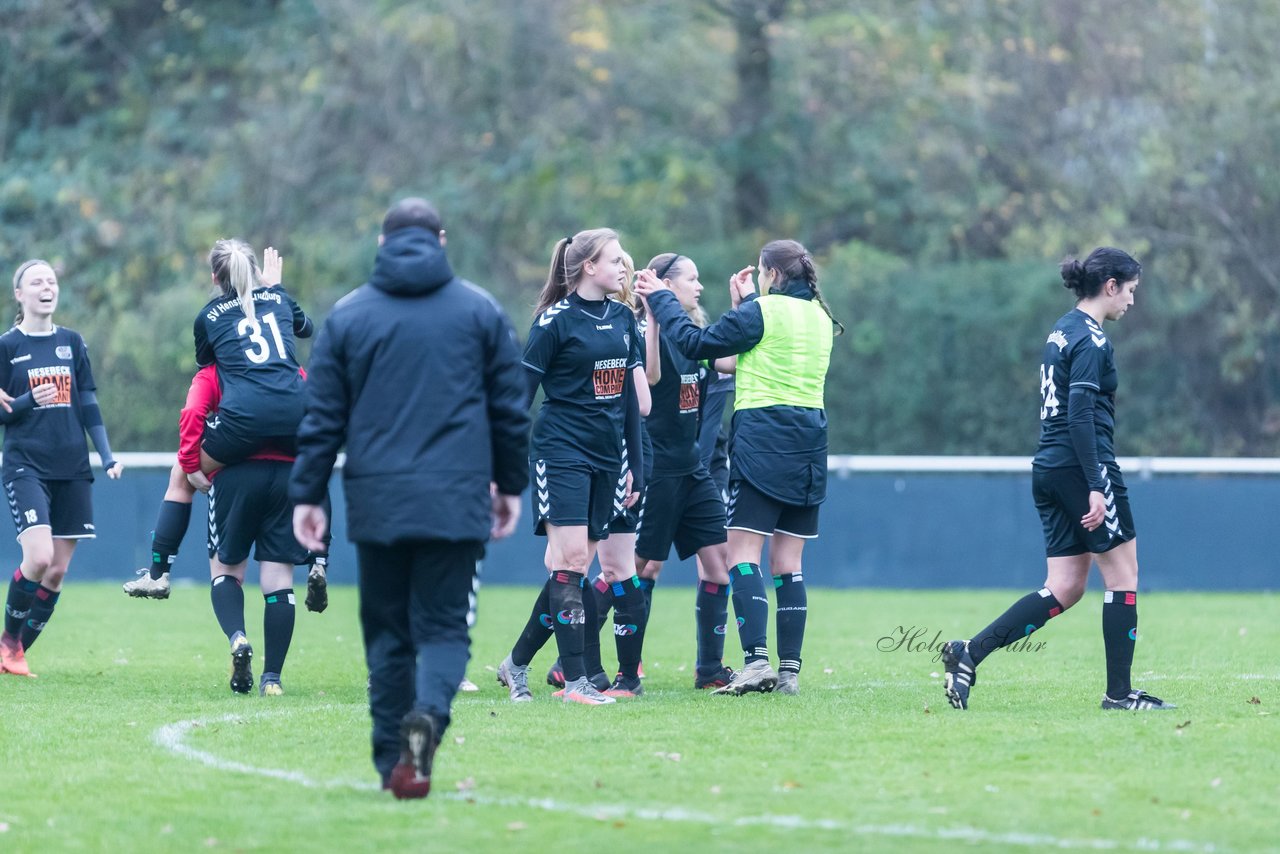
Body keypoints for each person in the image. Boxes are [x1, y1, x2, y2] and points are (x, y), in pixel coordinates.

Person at [291, 198, 529, 799]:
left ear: (381, 240)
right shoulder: (480, 310)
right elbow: (510, 411)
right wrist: (510, 486)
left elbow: (322, 418)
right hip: (456, 500)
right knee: (446, 628)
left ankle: (389, 761)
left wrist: (308, 495)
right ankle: (427, 719)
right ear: (441, 239)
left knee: (388, 636)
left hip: (378, 503)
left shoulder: (348, 316)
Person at [941, 248, 1175, 712]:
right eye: (1130, 291)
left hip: (1048, 467)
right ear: (1110, 286)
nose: (1131, 300)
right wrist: (1095, 481)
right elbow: (1081, 414)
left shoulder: (1061, 330)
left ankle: (969, 654)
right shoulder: (1093, 340)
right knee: (1123, 578)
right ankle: (1119, 695)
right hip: (1081, 468)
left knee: (1065, 586)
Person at [635, 239, 841, 696]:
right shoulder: (821, 318)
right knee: (789, 564)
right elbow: (755, 348)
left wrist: (663, 299)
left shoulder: (763, 312)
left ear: (770, 275)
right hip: (810, 446)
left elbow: (693, 341)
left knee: (741, 557)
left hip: (763, 443)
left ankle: (756, 663)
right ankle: (789, 672)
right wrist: (744, 304)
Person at [496, 227, 646, 707]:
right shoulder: (553, 321)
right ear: (589, 267)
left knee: (569, 571)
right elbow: (520, 397)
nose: (624, 267)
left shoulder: (625, 320)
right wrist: (503, 463)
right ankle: (578, 683)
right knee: (572, 563)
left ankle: (516, 663)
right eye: (616, 259)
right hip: (561, 451)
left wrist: (635, 466)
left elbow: (627, 402)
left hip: (607, 458)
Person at [191, 241, 315, 697]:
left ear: (214, 278)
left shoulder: (209, 315)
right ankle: (273, 679)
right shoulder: (279, 298)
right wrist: (273, 291)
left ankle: (236, 637)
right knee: (279, 576)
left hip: (240, 450)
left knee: (225, 566)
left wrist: (193, 468)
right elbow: (306, 328)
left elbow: (206, 367)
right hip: (291, 439)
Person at [0, 259, 124, 678]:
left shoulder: (72, 342)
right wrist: (29, 400)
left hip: (72, 466)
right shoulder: (7, 347)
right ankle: (8, 645)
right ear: (20, 294)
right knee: (38, 557)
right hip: (25, 465)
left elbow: (88, 403)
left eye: (51, 280)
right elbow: (4, 413)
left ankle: (13, 654)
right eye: (36, 281)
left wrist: (106, 455)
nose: (45, 286)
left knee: (56, 571)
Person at [120, 363, 331, 609]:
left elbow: (192, 412)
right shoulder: (289, 365)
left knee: (180, 475)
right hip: (288, 433)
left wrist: (190, 464)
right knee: (314, 470)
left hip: (244, 431)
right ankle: (319, 560)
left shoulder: (219, 367)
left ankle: (158, 573)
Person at [632, 253, 736, 690]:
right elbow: (652, 381)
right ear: (666, 285)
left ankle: (709, 669)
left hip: (693, 467)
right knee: (639, 569)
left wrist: (742, 309)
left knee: (718, 565)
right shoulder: (643, 333)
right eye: (691, 279)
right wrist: (655, 320)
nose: (699, 287)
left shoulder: (693, 337)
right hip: (657, 469)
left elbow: (729, 362)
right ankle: (580, 658)